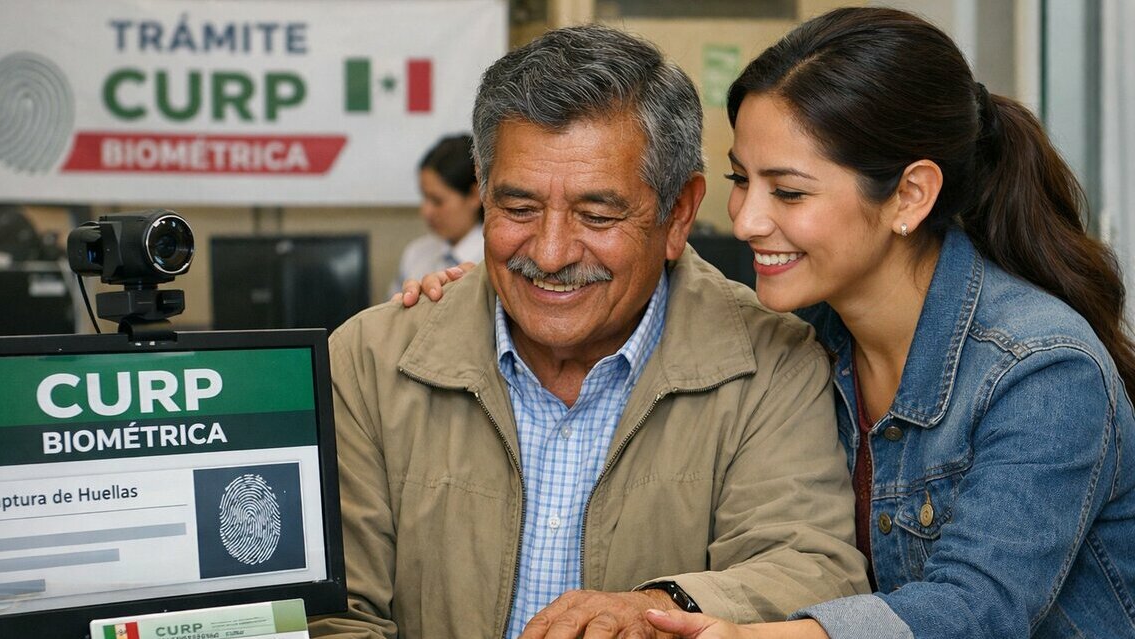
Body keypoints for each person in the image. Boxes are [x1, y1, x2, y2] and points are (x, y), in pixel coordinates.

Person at [401, 8, 1135, 639]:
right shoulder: (809, 327)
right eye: (741, 180)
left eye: (787, 192)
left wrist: (754, 633)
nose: (747, 219)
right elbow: (655, 275)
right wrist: (506, 284)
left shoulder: (1043, 369)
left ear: (910, 195)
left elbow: (977, 610)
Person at [308, 24, 868, 639]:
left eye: (597, 216)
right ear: (483, 192)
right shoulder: (369, 361)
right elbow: (328, 611)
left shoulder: (771, 364)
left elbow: (809, 570)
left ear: (679, 213)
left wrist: (662, 607)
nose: (550, 254)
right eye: (518, 209)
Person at [388, 133, 485, 298]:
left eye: (437, 201)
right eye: (424, 197)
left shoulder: (494, 261)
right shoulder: (416, 254)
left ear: (474, 195)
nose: (426, 211)